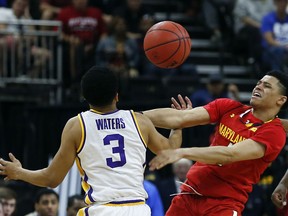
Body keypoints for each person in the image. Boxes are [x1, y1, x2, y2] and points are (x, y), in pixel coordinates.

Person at [0, 66, 182, 216]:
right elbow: (171, 151)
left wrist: (19, 172)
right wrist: (179, 124)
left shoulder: (76, 126)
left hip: (102, 209)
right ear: (117, 95)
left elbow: (51, 178)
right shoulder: (139, 121)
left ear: (85, 97)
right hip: (138, 209)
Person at [143, 69, 288, 215]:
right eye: (259, 83)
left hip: (223, 203)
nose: (259, 87)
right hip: (190, 194)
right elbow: (179, 117)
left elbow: (230, 154)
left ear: (281, 99)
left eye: (267, 86)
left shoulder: (274, 132)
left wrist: (182, 152)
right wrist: (134, 117)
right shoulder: (229, 107)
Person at [261, 0, 288, 71]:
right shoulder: (268, 18)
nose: (282, 4)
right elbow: (270, 40)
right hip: (271, 51)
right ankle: (277, 77)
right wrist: (284, 46)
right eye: (280, 1)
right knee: (278, 51)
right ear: (275, 3)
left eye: (285, 1)